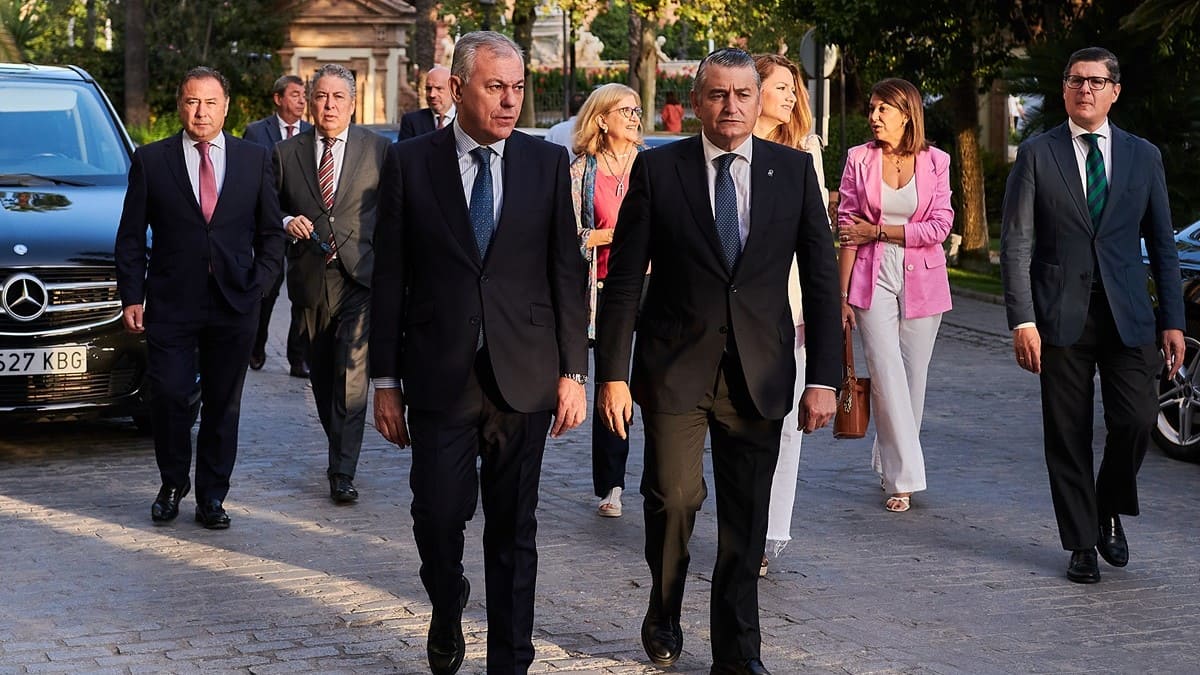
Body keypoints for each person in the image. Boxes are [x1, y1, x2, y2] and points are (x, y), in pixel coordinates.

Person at [595, 47, 840, 675]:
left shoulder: (792, 171)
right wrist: (614, 376)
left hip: (759, 374)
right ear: (698, 102)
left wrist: (825, 380)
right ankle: (664, 606)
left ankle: (738, 653)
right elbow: (624, 280)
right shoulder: (660, 170)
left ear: (759, 101)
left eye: (742, 94)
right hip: (674, 367)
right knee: (673, 498)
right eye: (717, 94)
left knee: (744, 521)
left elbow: (819, 278)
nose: (730, 106)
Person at [370, 31, 588, 675]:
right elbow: (391, 277)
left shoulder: (546, 165)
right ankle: (446, 601)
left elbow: (565, 275)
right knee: (438, 517)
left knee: (514, 531)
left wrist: (574, 370)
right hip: (440, 375)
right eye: (496, 87)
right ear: (459, 87)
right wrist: (385, 380)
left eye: (519, 87)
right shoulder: (410, 163)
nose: (510, 100)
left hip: (523, 376)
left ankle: (509, 662)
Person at [1000, 47, 1184, 584]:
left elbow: (1164, 246)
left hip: (1129, 313)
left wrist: (1172, 319)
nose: (1086, 89)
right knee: (1066, 430)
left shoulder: (1144, 156)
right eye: (1076, 80)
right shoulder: (1037, 153)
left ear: (1114, 92)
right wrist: (1022, 319)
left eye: (1097, 81)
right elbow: (1016, 243)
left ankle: (1104, 505)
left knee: (1136, 417)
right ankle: (1081, 541)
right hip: (1060, 313)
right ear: (1064, 90)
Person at [114, 66, 285, 530]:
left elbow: (272, 233)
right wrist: (132, 295)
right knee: (169, 395)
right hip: (171, 302)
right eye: (192, 102)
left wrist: (261, 284)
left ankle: (212, 495)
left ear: (226, 107)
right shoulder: (151, 160)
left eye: (210, 103)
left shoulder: (254, 159)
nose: (200, 111)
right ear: (179, 106)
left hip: (235, 303)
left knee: (223, 404)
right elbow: (130, 237)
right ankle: (172, 482)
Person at [273, 64, 391, 504]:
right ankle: (337, 440)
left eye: (338, 97)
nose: (329, 105)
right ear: (309, 101)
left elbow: (395, 213)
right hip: (310, 278)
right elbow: (267, 208)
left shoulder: (378, 150)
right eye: (321, 96)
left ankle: (343, 471)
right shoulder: (287, 153)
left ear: (353, 103)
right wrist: (286, 221)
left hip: (361, 276)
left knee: (351, 374)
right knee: (323, 377)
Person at [836, 78, 953, 514]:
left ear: (907, 114)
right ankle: (903, 479)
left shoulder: (936, 161)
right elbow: (849, 229)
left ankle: (890, 461)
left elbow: (939, 227)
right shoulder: (858, 159)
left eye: (883, 109)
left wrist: (881, 230)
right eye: (871, 108)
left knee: (912, 378)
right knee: (885, 373)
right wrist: (841, 293)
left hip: (924, 278)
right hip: (871, 276)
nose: (873, 116)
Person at [750, 53, 829, 576]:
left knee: (784, 428)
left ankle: (766, 533)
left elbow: (818, 239)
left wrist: (829, 308)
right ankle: (742, 519)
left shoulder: (806, 149)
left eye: (794, 89)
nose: (791, 97)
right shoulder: (728, 147)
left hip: (791, 305)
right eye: (781, 86)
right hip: (737, 307)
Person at [568, 82, 644, 518]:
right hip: (605, 290)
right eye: (626, 111)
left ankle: (658, 476)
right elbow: (564, 234)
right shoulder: (581, 171)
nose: (635, 118)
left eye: (637, 111)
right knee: (612, 384)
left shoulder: (653, 166)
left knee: (656, 384)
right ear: (602, 120)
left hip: (655, 286)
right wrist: (599, 236)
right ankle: (611, 484)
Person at [243, 74, 313, 379]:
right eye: (295, 94)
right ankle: (257, 344)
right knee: (268, 290)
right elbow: (245, 180)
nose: (301, 101)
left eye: (303, 96)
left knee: (303, 292)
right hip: (268, 223)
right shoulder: (257, 132)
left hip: (303, 224)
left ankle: (298, 358)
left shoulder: (311, 133)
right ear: (278, 98)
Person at [399, 65, 455, 139]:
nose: (432, 95)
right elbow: (404, 150)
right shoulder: (412, 121)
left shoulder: (466, 120)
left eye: (439, 88)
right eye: (428, 89)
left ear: (453, 89)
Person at [545, 91, 588, 163]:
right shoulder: (591, 130)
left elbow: (545, 155)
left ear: (569, 110)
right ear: (587, 110)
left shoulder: (555, 130)